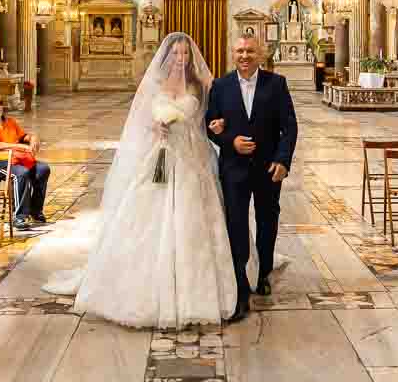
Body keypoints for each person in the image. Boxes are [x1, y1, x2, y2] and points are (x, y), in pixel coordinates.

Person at [42, 33, 247, 329]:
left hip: (191, 157)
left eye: (185, 54)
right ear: (167, 57)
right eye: (176, 54)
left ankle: (196, 290)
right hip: (160, 156)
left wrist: (218, 125)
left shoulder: (200, 85)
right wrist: (157, 127)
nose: (181, 59)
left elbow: (210, 120)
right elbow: (142, 121)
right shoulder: (155, 84)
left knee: (193, 220)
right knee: (146, 218)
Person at [206, 34, 297, 322]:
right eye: (239, 51)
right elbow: (210, 126)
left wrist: (283, 161)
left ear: (260, 54)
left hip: (269, 168)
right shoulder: (220, 86)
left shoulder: (276, 84)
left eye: (250, 51)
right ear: (233, 54)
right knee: (235, 224)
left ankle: (264, 274)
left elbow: (289, 127)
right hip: (234, 169)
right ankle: (240, 285)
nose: (244, 56)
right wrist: (230, 141)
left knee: (268, 220)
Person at [0, 93, 50, 231]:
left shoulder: (10, 122)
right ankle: (19, 216)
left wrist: (33, 139)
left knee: (43, 169)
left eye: (0, 103)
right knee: (20, 173)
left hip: (16, 160)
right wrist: (20, 146)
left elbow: (24, 136)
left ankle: (35, 210)